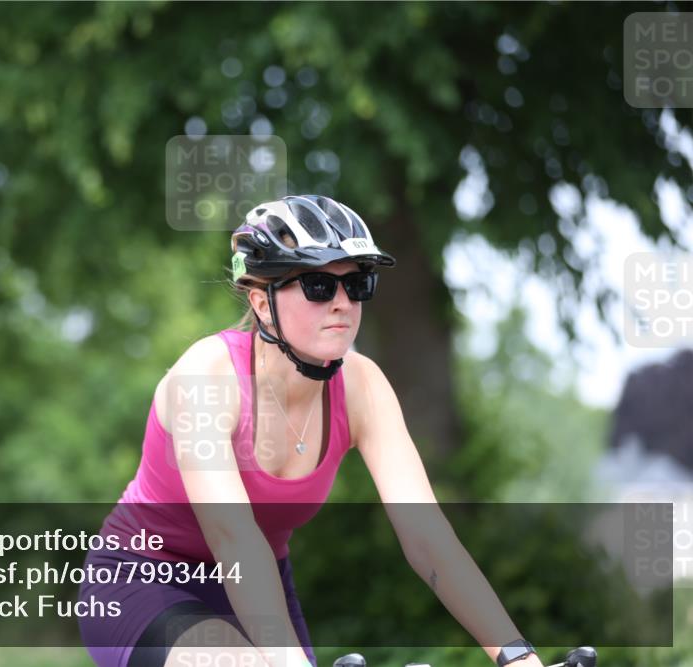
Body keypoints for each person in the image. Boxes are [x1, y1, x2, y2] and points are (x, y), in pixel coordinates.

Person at [78, 195, 544, 667]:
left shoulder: (363, 386)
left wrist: (515, 654)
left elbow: (427, 536)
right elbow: (233, 537)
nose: (342, 303)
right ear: (261, 303)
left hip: (263, 581)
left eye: (357, 284)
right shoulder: (207, 377)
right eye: (318, 285)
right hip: (144, 578)